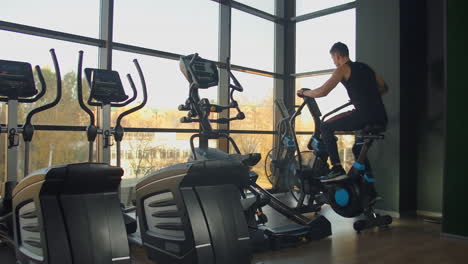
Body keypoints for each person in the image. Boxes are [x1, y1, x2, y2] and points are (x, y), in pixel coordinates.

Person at [297, 42, 388, 182]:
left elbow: (323, 91)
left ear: (337, 55)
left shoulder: (343, 68)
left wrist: (305, 92)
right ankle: (368, 182)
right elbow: (383, 87)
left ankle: (336, 169)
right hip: (381, 116)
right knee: (357, 149)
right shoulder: (366, 67)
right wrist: (367, 97)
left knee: (325, 126)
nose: (334, 62)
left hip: (363, 115)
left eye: (333, 58)